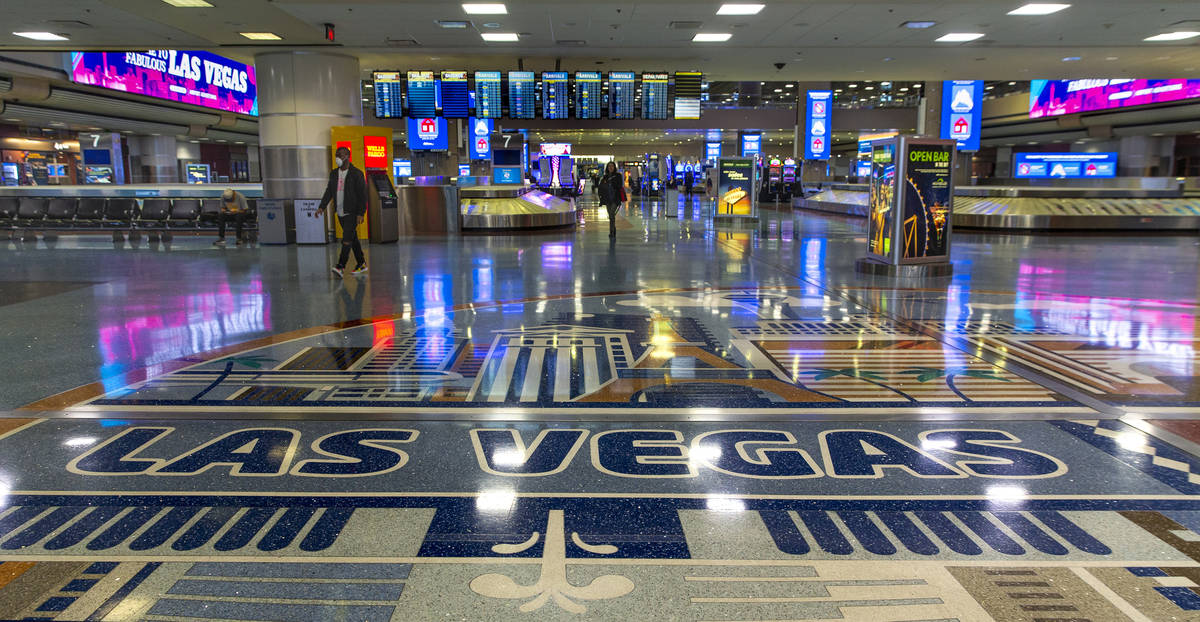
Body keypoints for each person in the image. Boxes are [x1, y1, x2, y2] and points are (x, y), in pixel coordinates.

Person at [315, 146, 367, 278]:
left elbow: (362, 195)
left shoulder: (356, 173)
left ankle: (341, 266)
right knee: (352, 238)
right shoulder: (334, 173)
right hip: (340, 212)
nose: (338, 157)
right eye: (337, 155)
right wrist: (322, 206)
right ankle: (361, 263)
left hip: (352, 212)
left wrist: (361, 213)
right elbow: (329, 192)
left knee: (346, 240)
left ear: (348, 156)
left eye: (341, 155)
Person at [598, 161, 625, 238]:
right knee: (610, 215)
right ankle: (613, 229)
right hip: (607, 199)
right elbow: (601, 187)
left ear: (614, 167)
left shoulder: (618, 176)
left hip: (615, 198)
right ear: (607, 168)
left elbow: (619, 185)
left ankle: (612, 231)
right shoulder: (605, 177)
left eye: (612, 166)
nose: (610, 167)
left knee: (612, 213)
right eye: (609, 166)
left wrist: (611, 182)